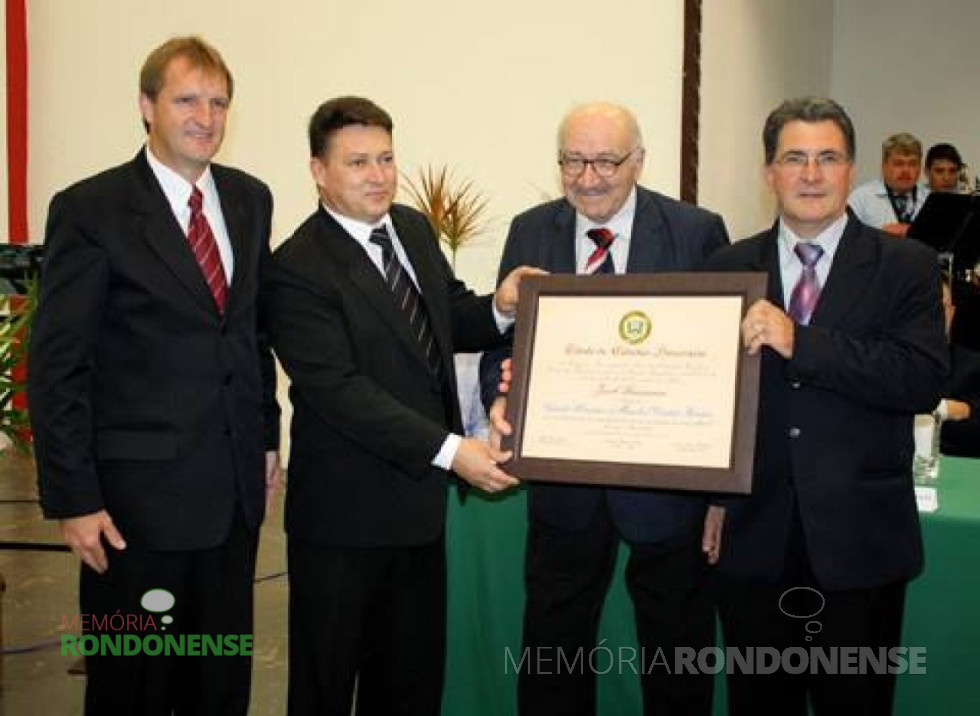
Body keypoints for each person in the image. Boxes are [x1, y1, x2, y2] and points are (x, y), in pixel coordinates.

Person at [28, 36, 280, 715]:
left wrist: (265, 438)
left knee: (219, 682)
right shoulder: (91, 210)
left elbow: (250, 334)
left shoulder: (251, 201)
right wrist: (73, 498)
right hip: (131, 510)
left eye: (219, 101)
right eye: (187, 99)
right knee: (132, 686)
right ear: (147, 105)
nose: (206, 116)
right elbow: (56, 366)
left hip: (230, 503)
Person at [266, 96, 539, 716]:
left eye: (386, 158)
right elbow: (340, 391)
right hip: (342, 523)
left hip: (418, 519)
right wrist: (452, 452)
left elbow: (449, 316)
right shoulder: (298, 268)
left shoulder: (411, 229)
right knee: (326, 687)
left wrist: (502, 305)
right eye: (358, 162)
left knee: (410, 683)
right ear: (318, 171)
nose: (378, 175)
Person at [482, 101, 730, 716]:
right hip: (564, 491)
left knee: (676, 657)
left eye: (605, 161)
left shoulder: (696, 232)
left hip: (670, 490)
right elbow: (502, 341)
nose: (587, 178)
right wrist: (501, 392)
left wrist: (724, 490)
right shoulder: (530, 229)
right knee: (552, 657)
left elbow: (727, 368)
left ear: (639, 161)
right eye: (573, 160)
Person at [703, 97, 948, 715]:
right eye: (794, 158)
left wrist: (798, 340)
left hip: (860, 544)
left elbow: (919, 379)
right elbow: (714, 398)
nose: (811, 174)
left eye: (828, 157)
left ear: (850, 169)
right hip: (754, 542)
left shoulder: (907, 266)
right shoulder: (729, 267)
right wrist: (715, 492)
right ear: (769, 173)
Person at [848, 132, 928, 236]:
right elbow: (846, 239)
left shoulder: (930, 199)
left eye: (912, 164)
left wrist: (912, 230)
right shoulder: (861, 198)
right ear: (884, 166)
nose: (906, 170)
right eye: (898, 164)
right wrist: (879, 234)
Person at [937, 272, 980, 456]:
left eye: (941, 307)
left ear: (951, 313)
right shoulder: (888, 362)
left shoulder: (973, 366)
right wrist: (957, 410)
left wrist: (935, 412)